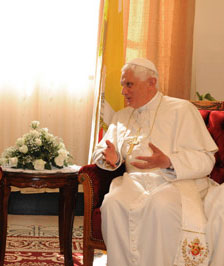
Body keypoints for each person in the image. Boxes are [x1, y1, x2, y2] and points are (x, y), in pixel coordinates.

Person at [92, 58, 224, 265]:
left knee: (160, 205)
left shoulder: (182, 110)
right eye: (122, 85)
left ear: (151, 83)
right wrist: (113, 159)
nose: (123, 92)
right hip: (133, 182)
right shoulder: (121, 116)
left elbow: (206, 160)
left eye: (129, 84)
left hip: (175, 183)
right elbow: (103, 151)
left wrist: (169, 161)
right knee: (112, 203)